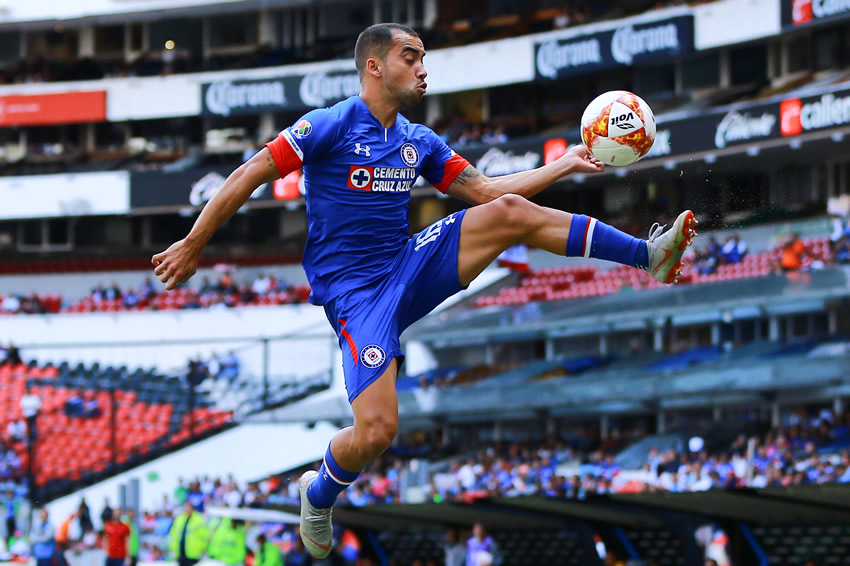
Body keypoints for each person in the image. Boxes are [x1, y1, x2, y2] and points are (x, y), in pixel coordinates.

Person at [151, 23, 696, 559]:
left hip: (408, 264)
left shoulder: (417, 140)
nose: (422, 68)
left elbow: (485, 191)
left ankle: (648, 255)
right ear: (374, 66)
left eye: (422, 58)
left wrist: (563, 164)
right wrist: (194, 243)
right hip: (357, 297)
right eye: (410, 57)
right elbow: (251, 172)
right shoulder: (329, 125)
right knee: (377, 431)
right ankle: (318, 494)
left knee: (507, 212)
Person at [168, 501, 209, 566]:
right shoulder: (179, 519)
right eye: (185, 507)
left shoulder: (199, 519)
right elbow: (173, 535)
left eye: (188, 508)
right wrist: (173, 549)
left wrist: (203, 549)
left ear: (192, 508)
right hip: (180, 554)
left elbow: (204, 536)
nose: (187, 509)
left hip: (193, 554)